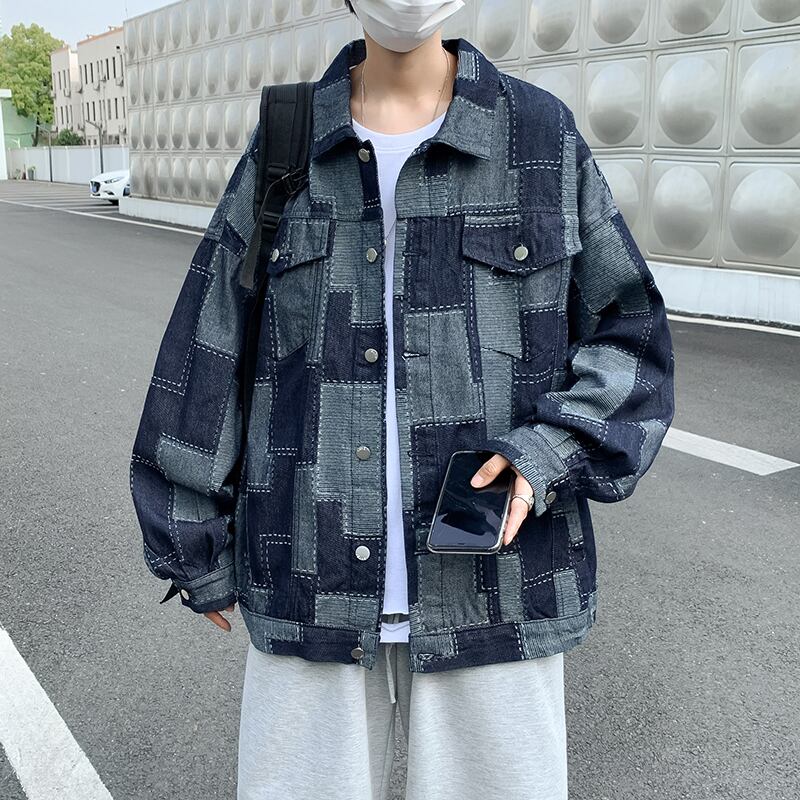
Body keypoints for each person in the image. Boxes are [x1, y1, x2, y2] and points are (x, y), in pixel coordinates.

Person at [129, 1, 675, 797]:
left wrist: (545, 456)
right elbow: (211, 339)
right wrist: (188, 532)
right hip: (309, 578)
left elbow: (632, 336)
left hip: (496, 589)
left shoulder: (537, 136)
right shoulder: (289, 141)